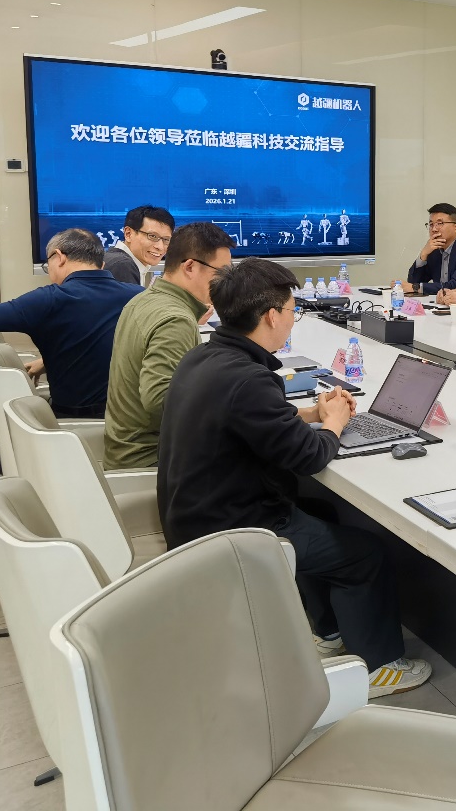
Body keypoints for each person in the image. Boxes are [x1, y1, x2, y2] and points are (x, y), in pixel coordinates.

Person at [157, 259, 430, 697]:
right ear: (271, 316)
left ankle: (328, 631)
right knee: (366, 555)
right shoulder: (248, 378)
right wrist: (334, 422)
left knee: (319, 511)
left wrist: (310, 413)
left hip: (194, 514)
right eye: (291, 310)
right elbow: (309, 456)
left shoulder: (206, 357)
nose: (292, 318)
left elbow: (249, 418)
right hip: (231, 531)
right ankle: (379, 667)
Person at [104, 222, 235, 470]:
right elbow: (161, 400)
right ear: (190, 266)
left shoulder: (143, 300)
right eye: (221, 273)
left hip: (124, 450)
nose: (226, 282)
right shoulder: (176, 320)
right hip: (153, 460)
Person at [0, 229, 142, 418]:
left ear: (59, 257)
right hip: (135, 418)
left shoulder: (47, 300)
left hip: (77, 423)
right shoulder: (139, 296)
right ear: (102, 264)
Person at [404, 203, 456, 296]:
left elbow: (455, 286)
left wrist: (416, 287)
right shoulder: (434, 249)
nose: (434, 229)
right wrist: (423, 254)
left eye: (439, 224)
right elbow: (413, 282)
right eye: (431, 224)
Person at [102, 204, 174, 286]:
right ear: (128, 234)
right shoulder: (122, 265)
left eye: (166, 239)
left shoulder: (118, 259)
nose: (160, 247)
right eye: (152, 236)